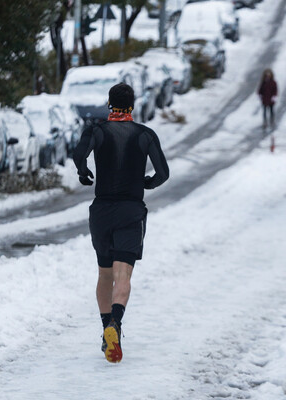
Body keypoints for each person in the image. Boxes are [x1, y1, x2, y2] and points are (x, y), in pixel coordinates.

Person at [73, 82, 170, 363]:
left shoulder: (97, 131)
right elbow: (163, 173)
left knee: (104, 274)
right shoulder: (145, 135)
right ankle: (116, 322)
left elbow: (79, 154)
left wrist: (83, 172)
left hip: (101, 212)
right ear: (133, 105)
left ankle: (107, 331)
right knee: (122, 275)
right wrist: (146, 183)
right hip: (130, 211)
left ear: (109, 103)